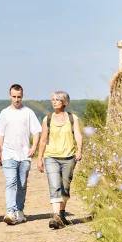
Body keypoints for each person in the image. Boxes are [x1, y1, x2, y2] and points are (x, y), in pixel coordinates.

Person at [0, 84, 41, 225]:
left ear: (22, 96)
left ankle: (20, 211)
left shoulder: (28, 112)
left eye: (19, 97)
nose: (16, 99)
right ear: (10, 96)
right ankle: (10, 212)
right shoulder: (4, 113)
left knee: (22, 185)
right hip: (8, 154)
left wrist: (34, 147)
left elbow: (37, 131)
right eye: (14, 97)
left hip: (24, 155)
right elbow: (0, 134)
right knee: (10, 183)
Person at [37, 91, 83, 229]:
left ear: (64, 102)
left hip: (69, 157)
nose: (54, 102)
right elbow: (43, 140)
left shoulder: (72, 118)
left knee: (65, 186)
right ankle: (56, 216)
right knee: (54, 185)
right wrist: (39, 158)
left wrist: (79, 150)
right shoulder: (47, 119)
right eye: (52, 99)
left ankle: (61, 214)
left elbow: (78, 135)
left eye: (57, 99)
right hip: (51, 157)